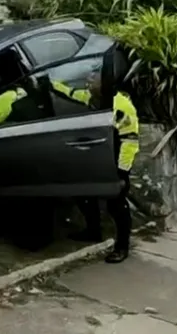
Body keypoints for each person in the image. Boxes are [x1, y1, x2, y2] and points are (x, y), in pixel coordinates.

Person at [62, 70, 140, 264]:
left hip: (115, 161)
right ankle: (93, 230)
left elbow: (130, 141)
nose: (87, 85)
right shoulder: (93, 97)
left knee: (117, 204)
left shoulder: (121, 106)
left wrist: (122, 172)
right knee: (82, 192)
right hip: (96, 155)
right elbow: (72, 93)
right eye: (87, 81)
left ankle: (122, 247)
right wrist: (51, 85)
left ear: (104, 85)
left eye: (92, 82)